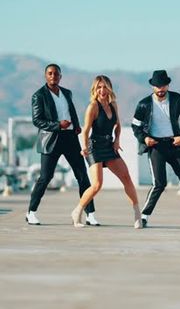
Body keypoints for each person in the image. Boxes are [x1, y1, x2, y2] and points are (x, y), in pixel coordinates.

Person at [132, 69, 180, 229]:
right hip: (156, 146)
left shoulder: (176, 99)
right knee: (159, 184)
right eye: (157, 86)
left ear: (168, 85)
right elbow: (136, 125)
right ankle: (144, 217)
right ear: (152, 87)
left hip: (174, 145)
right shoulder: (144, 104)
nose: (161, 89)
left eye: (163, 86)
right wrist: (144, 138)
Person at [26, 63, 99, 226]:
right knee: (45, 177)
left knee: (82, 176)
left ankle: (90, 214)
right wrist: (58, 125)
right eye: (50, 73)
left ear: (60, 76)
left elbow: (71, 111)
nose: (53, 76)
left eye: (56, 74)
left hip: (70, 138)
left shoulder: (67, 93)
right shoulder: (39, 96)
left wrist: (76, 125)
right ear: (46, 76)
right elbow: (37, 120)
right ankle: (31, 212)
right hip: (51, 140)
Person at [71, 75, 142, 229]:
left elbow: (117, 126)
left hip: (109, 146)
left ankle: (137, 214)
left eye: (105, 87)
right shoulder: (93, 107)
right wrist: (84, 148)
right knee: (97, 184)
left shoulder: (113, 105)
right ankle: (77, 211)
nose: (102, 90)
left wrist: (116, 141)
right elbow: (85, 131)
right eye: (99, 87)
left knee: (126, 177)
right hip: (94, 147)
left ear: (109, 88)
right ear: (95, 89)